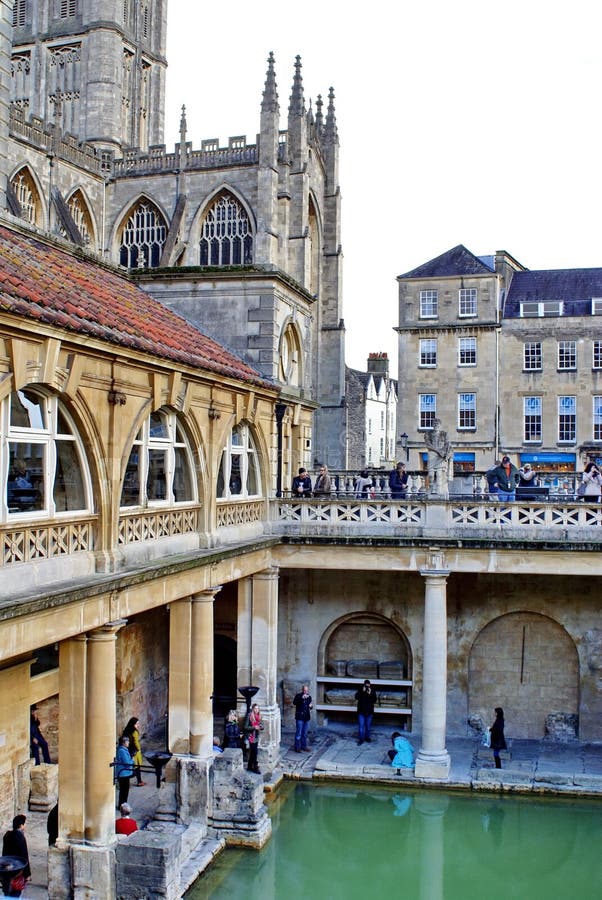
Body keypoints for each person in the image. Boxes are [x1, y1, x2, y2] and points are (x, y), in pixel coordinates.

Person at [1, 815, 31, 897]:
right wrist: (27, 874)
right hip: (17, 870)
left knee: (7, 893)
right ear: (21, 825)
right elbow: (25, 856)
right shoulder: (20, 837)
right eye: (25, 824)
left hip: (6, 868)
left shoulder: (7, 835)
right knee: (15, 894)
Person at [122, 717, 146, 786]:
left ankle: (127, 783)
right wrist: (139, 749)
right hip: (134, 751)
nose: (138, 725)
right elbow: (136, 742)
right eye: (137, 724)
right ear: (133, 724)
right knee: (136, 767)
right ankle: (139, 782)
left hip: (127, 750)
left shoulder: (126, 730)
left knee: (129, 766)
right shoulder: (134, 732)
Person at [355, 679, 377, 745]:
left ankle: (367, 737)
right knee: (361, 727)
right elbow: (356, 697)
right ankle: (361, 739)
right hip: (361, 712)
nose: (367, 687)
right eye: (366, 685)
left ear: (370, 685)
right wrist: (362, 691)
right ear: (364, 685)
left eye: (368, 685)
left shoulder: (372, 691)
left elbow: (374, 700)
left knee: (368, 727)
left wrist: (370, 694)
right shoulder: (360, 690)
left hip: (369, 712)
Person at [292, 684, 313, 752]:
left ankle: (304, 746)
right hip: (300, 717)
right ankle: (297, 747)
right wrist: (301, 698)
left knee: (305, 733)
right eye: (304, 690)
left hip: (306, 717)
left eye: (306, 690)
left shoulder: (309, 697)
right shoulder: (298, 696)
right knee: (299, 733)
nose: (305, 691)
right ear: (302, 690)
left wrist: (311, 706)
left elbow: (310, 707)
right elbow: (294, 703)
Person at [115, 735, 134, 808]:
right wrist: (132, 760)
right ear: (123, 743)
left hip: (124, 773)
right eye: (127, 741)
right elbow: (127, 763)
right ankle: (123, 805)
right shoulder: (122, 751)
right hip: (123, 774)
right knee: (124, 791)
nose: (128, 742)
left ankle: (122, 805)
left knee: (124, 790)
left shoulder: (122, 750)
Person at [244, 703, 263, 774]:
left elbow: (261, 724)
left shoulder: (259, 716)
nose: (257, 710)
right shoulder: (249, 715)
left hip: (256, 736)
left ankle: (249, 766)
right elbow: (245, 727)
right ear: (253, 709)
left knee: (253, 752)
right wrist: (253, 727)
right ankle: (255, 767)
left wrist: (261, 727)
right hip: (251, 736)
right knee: (255, 752)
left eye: (258, 708)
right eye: (255, 708)